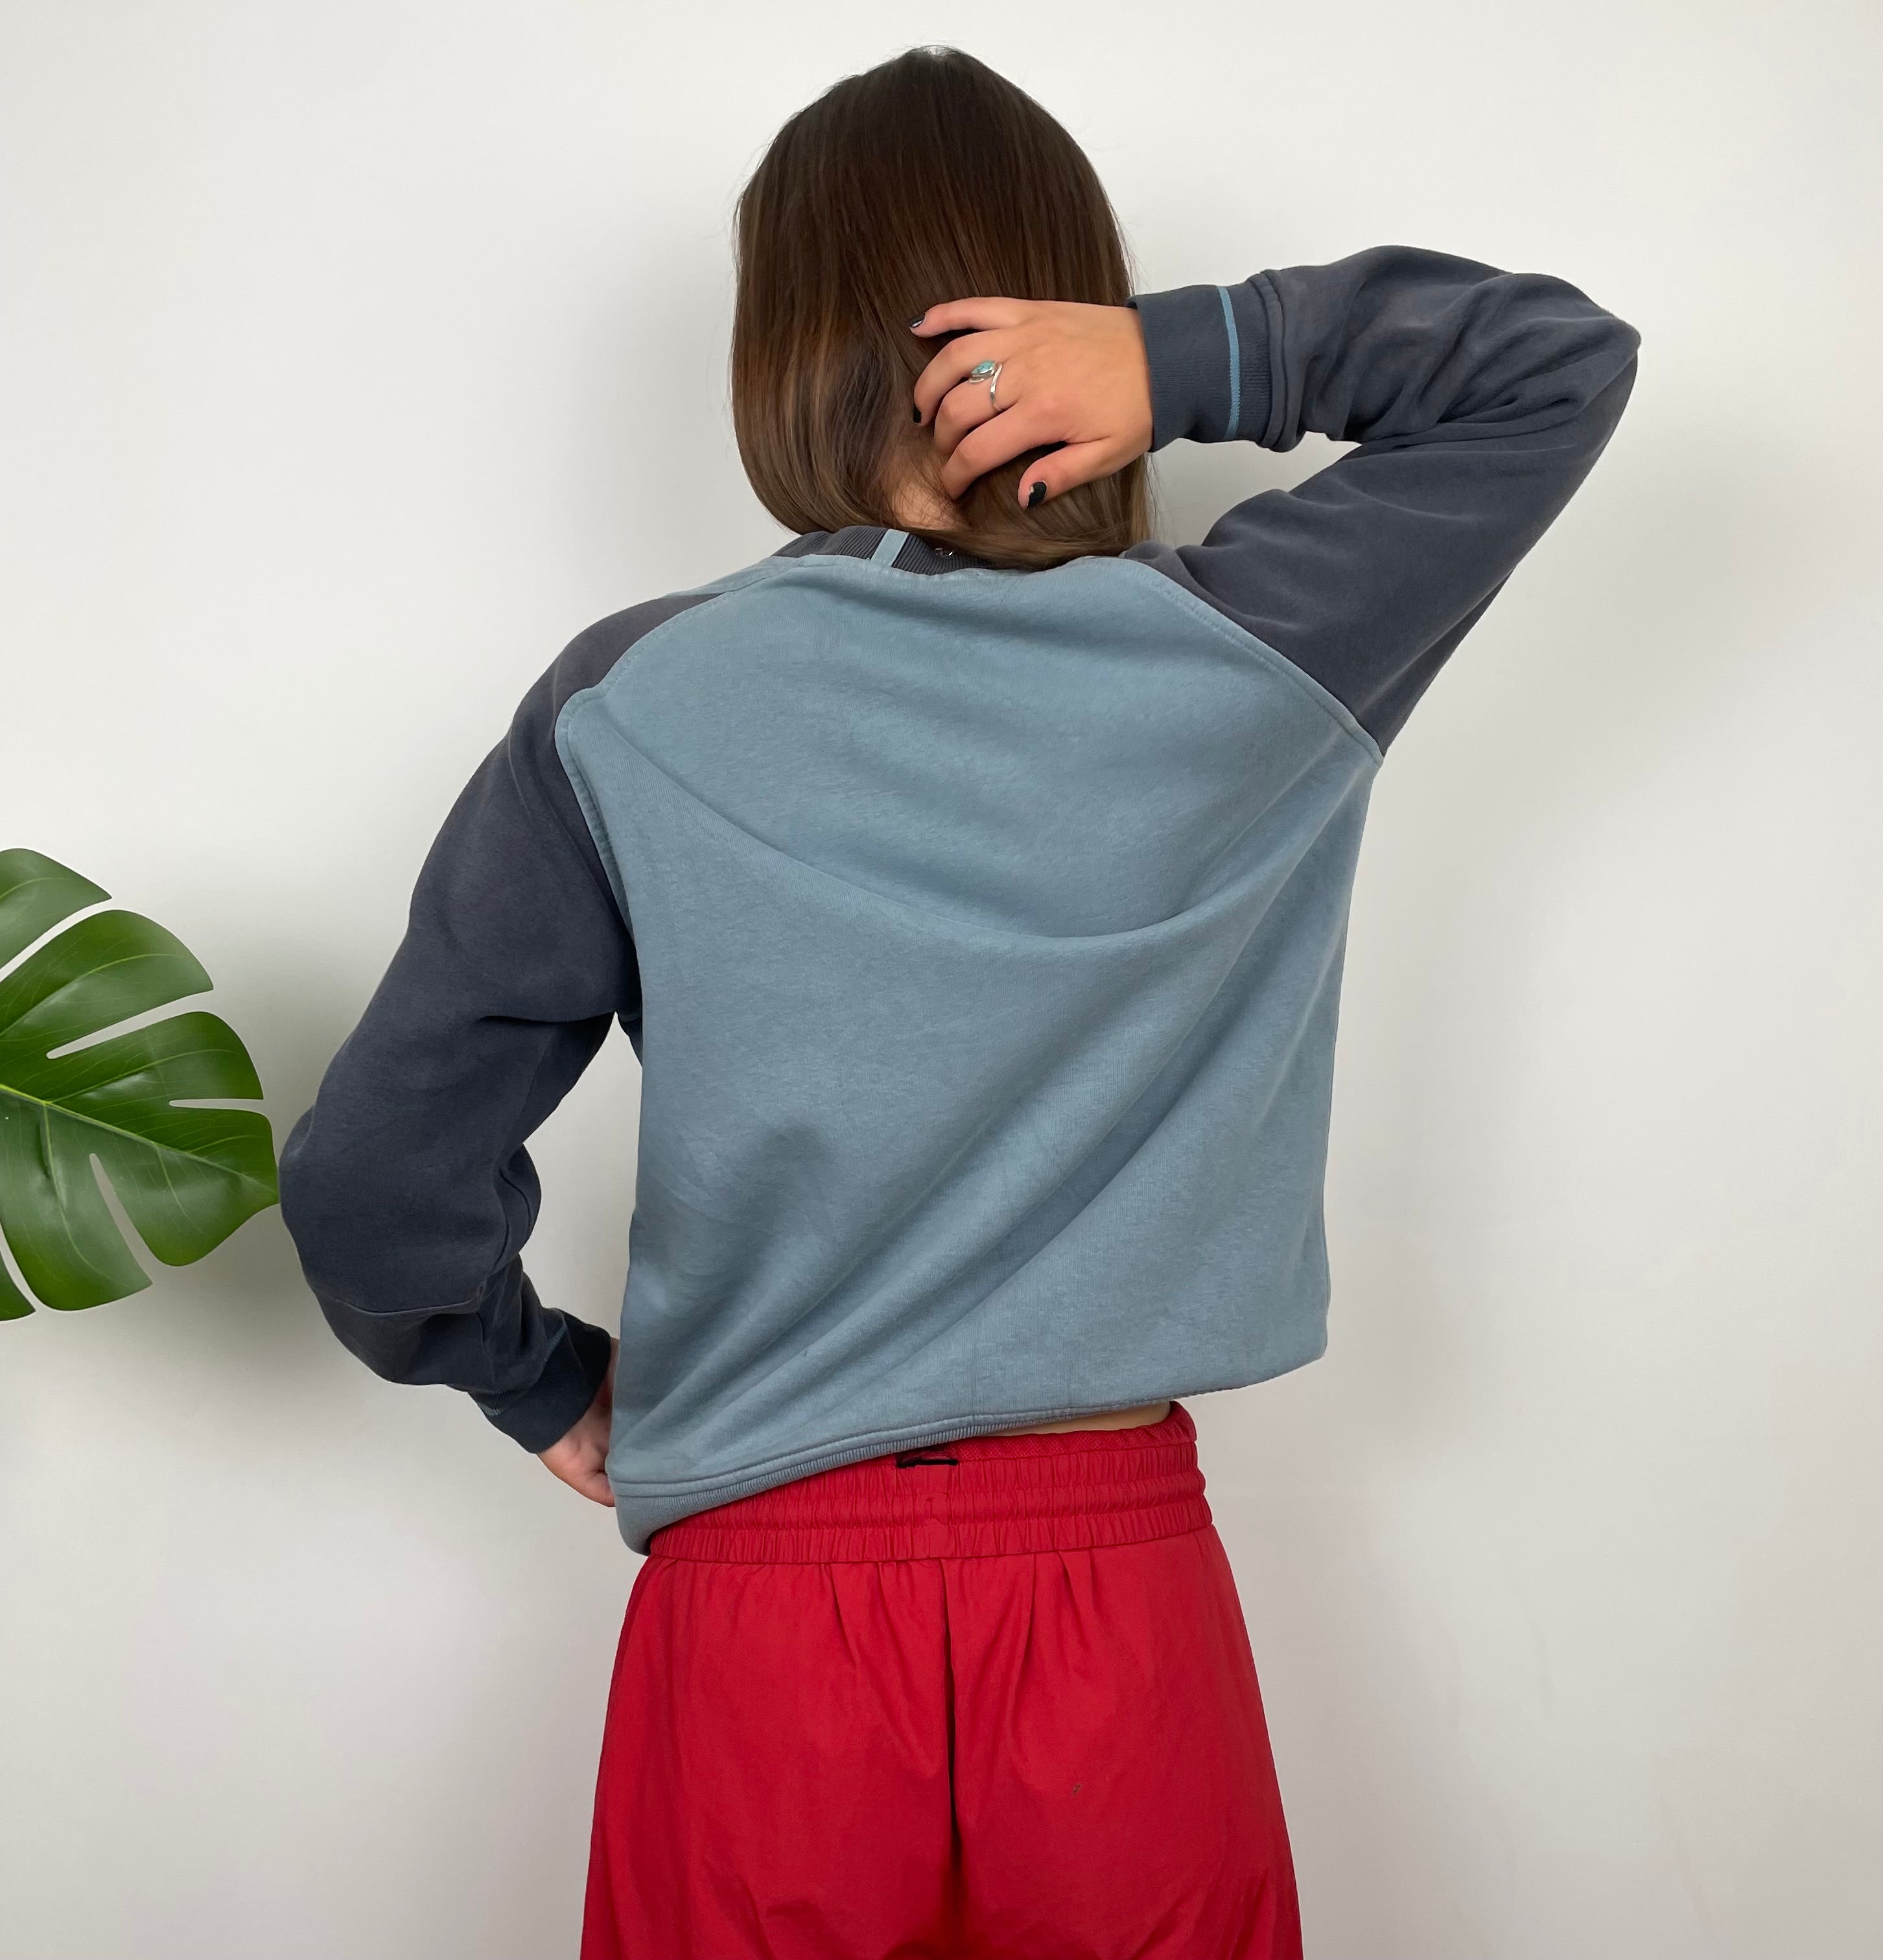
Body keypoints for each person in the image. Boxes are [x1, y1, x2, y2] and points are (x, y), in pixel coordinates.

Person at [278, 43, 1639, 1960]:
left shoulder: (633, 705)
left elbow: (365, 1186)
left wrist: (531, 1372)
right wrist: (1183, 360)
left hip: (756, 1626)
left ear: (780, 348)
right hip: (1118, 1625)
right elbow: (1549, 367)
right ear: (1064, 305)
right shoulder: (1254, 655)